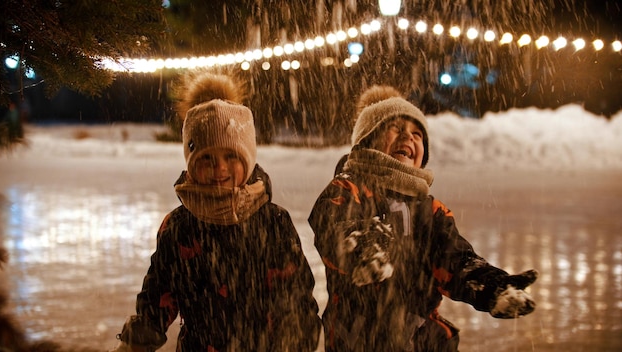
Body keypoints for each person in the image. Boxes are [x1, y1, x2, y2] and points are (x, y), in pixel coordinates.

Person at [308, 85, 537, 352]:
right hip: (362, 337)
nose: (408, 137)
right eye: (395, 127)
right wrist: (361, 246)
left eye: (417, 134)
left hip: (421, 337)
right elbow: (332, 224)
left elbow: (454, 259)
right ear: (368, 141)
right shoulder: (349, 187)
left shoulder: (430, 210)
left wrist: (490, 286)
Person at [113, 72, 321, 351]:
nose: (219, 168)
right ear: (190, 163)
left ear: (247, 160)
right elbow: (159, 293)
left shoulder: (273, 221)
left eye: (230, 157)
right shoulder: (179, 226)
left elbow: (295, 297)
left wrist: (293, 341)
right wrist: (137, 342)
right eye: (207, 158)